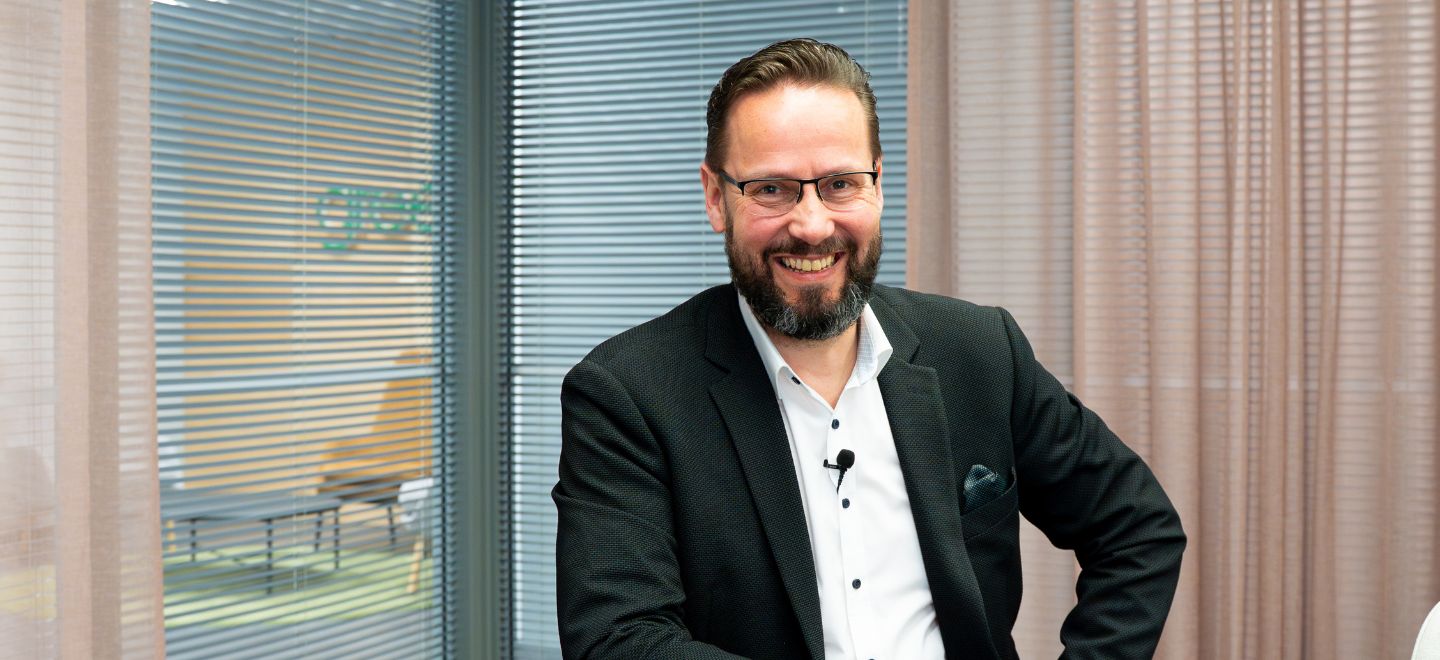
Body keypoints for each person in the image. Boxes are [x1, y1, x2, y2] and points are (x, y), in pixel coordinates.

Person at [552, 38, 1185, 659]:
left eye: (839, 183)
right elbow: (618, 638)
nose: (812, 225)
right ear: (717, 198)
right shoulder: (627, 394)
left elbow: (1136, 527)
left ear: (877, 184)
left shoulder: (979, 351)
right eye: (771, 189)